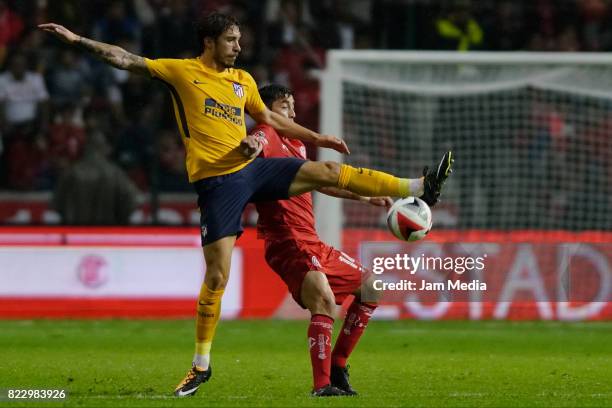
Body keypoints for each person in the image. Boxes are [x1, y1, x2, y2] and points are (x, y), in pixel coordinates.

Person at [39, 12, 453, 397]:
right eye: (230, 40)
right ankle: (201, 364)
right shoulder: (182, 72)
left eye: (239, 39)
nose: (238, 46)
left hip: (252, 171)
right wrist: (76, 39)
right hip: (218, 182)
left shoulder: (243, 80)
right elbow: (124, 58)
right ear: (209, 42)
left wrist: (319, 139)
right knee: (217, 276)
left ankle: (418, 184)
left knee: (325, 173)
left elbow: (271, 121)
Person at [251, 84, 391, 396]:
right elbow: (255, 141)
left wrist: (365, 196)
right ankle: (322, 386)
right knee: (324, 301)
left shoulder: (297, 144)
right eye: (286, 105)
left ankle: (339, 365)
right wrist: (250, 143)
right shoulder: (267, 131)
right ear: (267, 108)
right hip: (287, 239)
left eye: (293, 105)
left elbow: (322, 183)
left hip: (310, 240)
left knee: (371, 287)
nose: (294, 112)